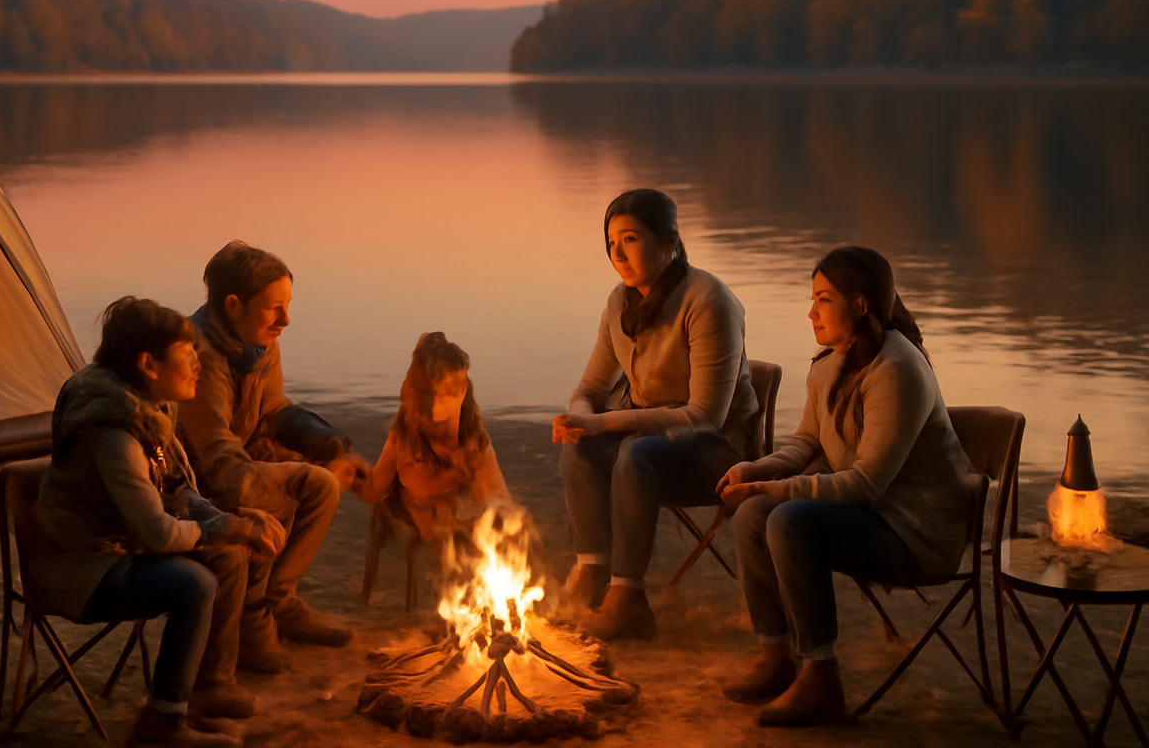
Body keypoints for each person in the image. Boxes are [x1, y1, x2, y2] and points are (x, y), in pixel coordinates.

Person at [715, 247, 973, 727]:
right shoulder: (829, 364)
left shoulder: (898, 369)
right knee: (753, 516)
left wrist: (774, 492)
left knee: (790, 520)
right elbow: (806, 442)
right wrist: (757, 471)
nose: (811, 311)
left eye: (823, 299)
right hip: (868, 516)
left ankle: (821, 679)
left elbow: (865, 484)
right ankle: (776, 655)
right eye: (812, 297)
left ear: (861, 303)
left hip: (913, 533)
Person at [32, 297, 286, 748]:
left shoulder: (146, 405)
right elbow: (158, 532)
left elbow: (174, 487)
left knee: (230, 553)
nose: (197, 365)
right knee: (194, 583)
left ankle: (205, 690)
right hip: (83, 568)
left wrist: (228, 520)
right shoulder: (114, 430)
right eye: (187, 355)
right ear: (148, 363)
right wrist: (225, 528)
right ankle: (162, 725)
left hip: (120, 548)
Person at [552, 188, 759, 641]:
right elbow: (590, 387)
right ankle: (591, 571)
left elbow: (705, 414)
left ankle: (628, 601)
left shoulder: (708, 301)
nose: (617, 253)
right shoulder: (619, 302)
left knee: (633, 454)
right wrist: (577, 418)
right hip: (648, 444)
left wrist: (603, 422)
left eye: (630, 239)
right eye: (610, 242)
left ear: (669, 242)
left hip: (718, 454)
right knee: (581, 448)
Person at [178, 241, 373, 670]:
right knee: (307, 486)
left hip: (240, 459)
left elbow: (275, 411)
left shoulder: (258, 341)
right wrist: (296, 481)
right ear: (233, 305)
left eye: (287, 306)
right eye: (274, 309)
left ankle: (276, 603)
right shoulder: (196, 356)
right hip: (199, 482)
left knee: (319, 481)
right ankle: (254, 618)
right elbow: (215, 457)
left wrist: (334, 445)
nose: (286, 321)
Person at [363, 332, 514, 549]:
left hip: (459, 536)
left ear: (462, 393)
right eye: (429, 394)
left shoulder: (474, 444)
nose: (434, 404)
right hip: (409, 530)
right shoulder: (402, 438)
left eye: (444, 394)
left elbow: (499, 499)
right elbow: (375, 488)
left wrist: (509, 525)